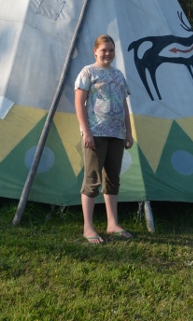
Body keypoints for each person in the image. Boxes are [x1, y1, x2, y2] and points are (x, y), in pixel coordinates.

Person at [74, 34, 133, 244]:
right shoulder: (88, 72)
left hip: (116, 133)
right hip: (96, 133)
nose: (107, 54)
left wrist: (128, 131)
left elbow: (124, 105)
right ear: (95, 51)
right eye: (103, 50)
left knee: (112, 179)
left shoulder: (118, 75)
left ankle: (112, 223)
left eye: (111, 50)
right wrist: (86, 131)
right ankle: (88, 227)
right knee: (92, 180)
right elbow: (79, 103)